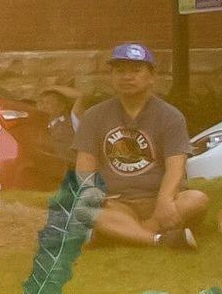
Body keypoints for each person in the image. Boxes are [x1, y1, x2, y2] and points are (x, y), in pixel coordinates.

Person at [68, 40, 201, 249]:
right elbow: (85, 163)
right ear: (111, 77)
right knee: (86, 211)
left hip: (158, 198)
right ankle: (160, 239)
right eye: (120, 71)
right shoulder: (93, 116)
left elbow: (176, 166)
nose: (127, 77)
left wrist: (165, 201)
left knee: (196, 199)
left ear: (152, 78)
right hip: (117, 201)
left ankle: (125, 233)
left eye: (136, 70)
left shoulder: (171, 116)